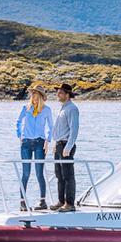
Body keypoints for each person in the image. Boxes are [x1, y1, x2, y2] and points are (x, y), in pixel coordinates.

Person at [15, 83, 53, 211]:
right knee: (25, 173)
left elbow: (50, 126)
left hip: (39, 143)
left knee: (39, 173)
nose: (33, 95)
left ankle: (42, 201)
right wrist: (20, 135)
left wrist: (47, 140)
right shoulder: (26, 108)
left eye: (35, 93)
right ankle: (22, 202)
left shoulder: (47, 110)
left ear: (41, 96)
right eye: (32, 93)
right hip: (25, 143)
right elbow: (18, 121)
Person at [52, 83, 80, 212]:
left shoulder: (72, 109)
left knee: (68, 175)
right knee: (59, 174)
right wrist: (55, 144)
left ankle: (69, 203)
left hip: (66, 145)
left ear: (67, 95)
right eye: (58, 92)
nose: (58, 94)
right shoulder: (63, 108)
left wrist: (68, 147)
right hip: (59, 144)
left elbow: (74, 130)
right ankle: (61, 201)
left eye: (60, 92)